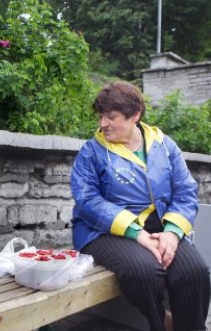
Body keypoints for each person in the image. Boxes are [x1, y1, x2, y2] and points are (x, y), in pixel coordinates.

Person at [70, 81, 210, 331]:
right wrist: (137, 234)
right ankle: (162, 324)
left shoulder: (165, 146)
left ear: (135, 115)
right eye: (101, 116)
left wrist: (172, 233)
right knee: (144, 270)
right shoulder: (91, 152)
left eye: (111, 117)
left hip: (160, 228)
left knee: (194, 271)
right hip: (102, 230)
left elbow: (186, 191)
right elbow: (87, 201)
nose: (103, 123)